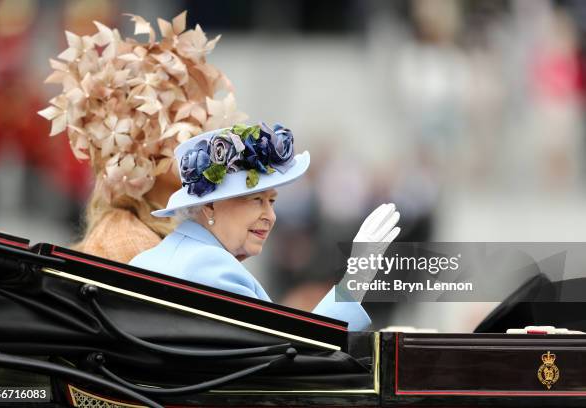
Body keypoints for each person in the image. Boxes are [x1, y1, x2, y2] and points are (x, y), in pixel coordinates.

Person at [130, 123, 400, 331]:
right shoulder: (211, 267)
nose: (270, 216)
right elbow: (293, 360)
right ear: (210, 207)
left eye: (271, 201)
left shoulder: (148, 258)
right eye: (256, 200)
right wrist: (355, 281)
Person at [38, 11, 246, 263]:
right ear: (135, 144)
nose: (198, 135)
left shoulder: (153, 234)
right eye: (180, 122)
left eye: (201, 120)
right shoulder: (128, 244)